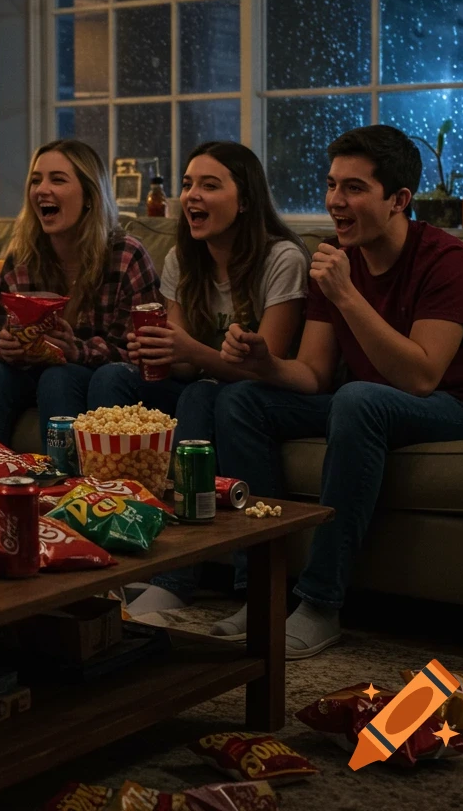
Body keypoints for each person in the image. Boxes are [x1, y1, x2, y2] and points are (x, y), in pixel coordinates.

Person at [216, 125, 463, 658]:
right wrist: (264, 364)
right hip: (366, 403)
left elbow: (420, 377)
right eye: (330, 185)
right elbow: (315, 375)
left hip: (459, 410)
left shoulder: (447, 260)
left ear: (399, 200)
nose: (334, 202)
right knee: (240, 400)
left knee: (359, 398)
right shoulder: (333, 255)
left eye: (353, 189)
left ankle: (321, 604)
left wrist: (346, 296)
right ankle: (261, 594)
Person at [87, 141, 309, 611]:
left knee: (203, 397)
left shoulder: (282, 258)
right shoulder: (182, 260)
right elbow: (183, 363)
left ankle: (186, 580)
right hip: (204, 383)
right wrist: (156, 350)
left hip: (255, 393)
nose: (192, 196)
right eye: (187, 184)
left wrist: (188, 351)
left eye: (210, 185)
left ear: (245, 199)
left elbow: (264, 367)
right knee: (112, 381)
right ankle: (121, 550)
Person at [0, 139, 161, 454]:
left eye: (58, 179)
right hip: (31, 372)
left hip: (97, 376)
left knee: (59, 376)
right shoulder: (23, 256)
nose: (41, 189)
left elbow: (137, 353)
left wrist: (76, 351)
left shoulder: (125, 255)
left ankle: (66, 484)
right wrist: (8, 347)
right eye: (36, 180)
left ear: (90, 196)